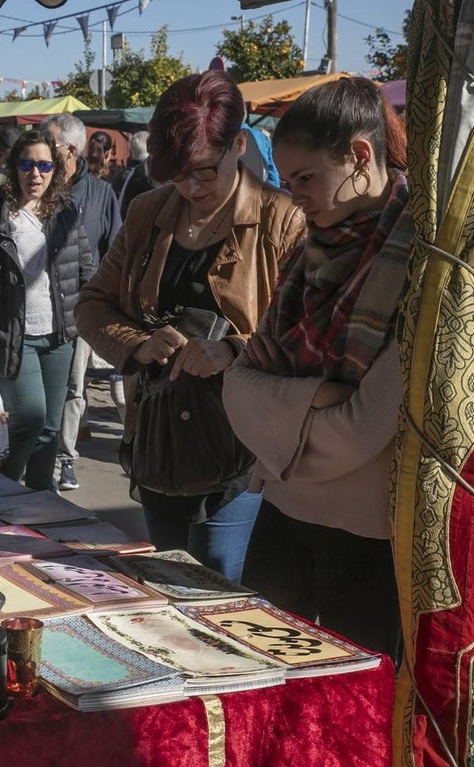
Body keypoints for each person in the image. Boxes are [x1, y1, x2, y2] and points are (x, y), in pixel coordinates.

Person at [75, 71, 305, 581]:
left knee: (222, 586)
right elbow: (91, 304)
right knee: (167, 579)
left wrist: (235, 350)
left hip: (241, 446)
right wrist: (137, 343)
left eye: (204, 171)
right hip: (158, 440)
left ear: (238, 145)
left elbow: (302, 331)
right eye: (177, 175)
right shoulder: (147, 211)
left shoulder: (281, 220)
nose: (192, 187)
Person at [223, 78, 410, 657]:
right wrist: (314, 401)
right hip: (282, 516)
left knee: (359, 712)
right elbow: (237, 390)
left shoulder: (419, 261)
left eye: (304, 177)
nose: (292, 193)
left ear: (358, 156)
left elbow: (362, 426)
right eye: (286, 177)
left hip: (369, 538)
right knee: (266, 689)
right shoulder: (307, 254)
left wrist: (279, 421)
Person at [0, 130, 94, 491]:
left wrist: (93, 319)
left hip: (59, 337)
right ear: (13, 166)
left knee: (51, 429)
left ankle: (40, 505)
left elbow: (86, 269)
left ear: (56, 169)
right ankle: (1, 493)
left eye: (44, 165)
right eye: (27, 164)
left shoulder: (66, 211)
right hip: (13, 336)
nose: (35, 174)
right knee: (31, 421)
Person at [41, 113, 122, 491]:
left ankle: (64, 457)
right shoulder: (34, 186)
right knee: (38, 389)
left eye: (49, 144)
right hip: (36, 308)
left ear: (70, 150)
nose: (41, 151)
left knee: (74, 387)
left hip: (80, 309)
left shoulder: (101, 194)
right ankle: (38, 454)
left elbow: (115, 251)